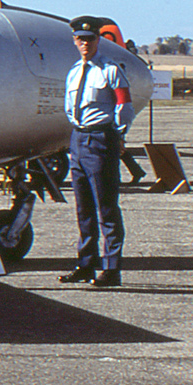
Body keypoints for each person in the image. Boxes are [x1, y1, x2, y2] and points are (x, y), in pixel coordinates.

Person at [61, 15, 134, 288]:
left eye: (90, 39)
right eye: (80, 39)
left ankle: (111, 268)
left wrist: (117, 134)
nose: (85, 44)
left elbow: (124, 105)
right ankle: (85, 263)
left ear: (97, 41)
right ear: (74, 40)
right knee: (83, 208)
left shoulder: (110, 70)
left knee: (106, 208)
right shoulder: (73, 71)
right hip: (78, 140)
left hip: (101, 139)